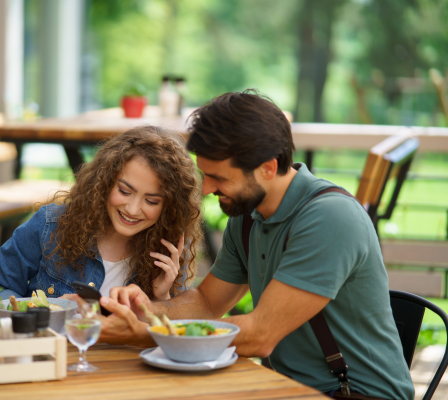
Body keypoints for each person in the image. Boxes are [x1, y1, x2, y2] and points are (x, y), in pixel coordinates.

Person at [98, 90, 414, 400]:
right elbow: (208, 304)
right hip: (283, 388)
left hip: (353, 392)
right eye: (205, 174)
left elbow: (260, 335)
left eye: (219, 177)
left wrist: (150, 335)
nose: (206, 189)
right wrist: (146, 312)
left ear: (268, 167)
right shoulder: (248, 215)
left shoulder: (330, 218)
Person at [0, 125, 203, 302]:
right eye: (125, 191)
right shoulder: (51, 226)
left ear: (169, 207)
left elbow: (176, 339)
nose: (133, 209)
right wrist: (50, 310)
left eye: (152, 201)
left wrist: (162, 297)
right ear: (105, 182)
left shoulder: (169, 251)